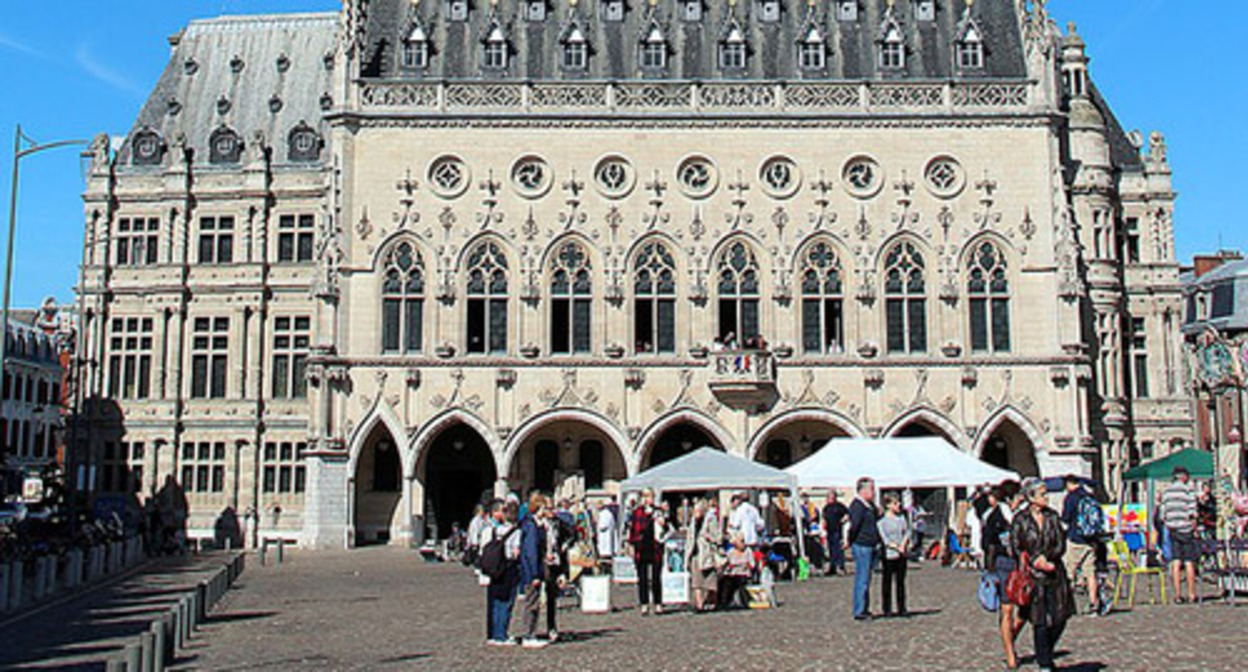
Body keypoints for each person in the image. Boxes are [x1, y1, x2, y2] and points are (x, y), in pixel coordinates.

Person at [1011, 478, 1074, 672]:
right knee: (1040, 620)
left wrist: (1048, 558)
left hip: (1054, 574)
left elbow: (1060, 543)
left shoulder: (1053, 517)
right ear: (1031, 497)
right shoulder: (1021, 520)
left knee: (1060, 617)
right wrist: (1033, 559)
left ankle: (1046, 652)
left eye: (1046, 493)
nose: (1046, 497)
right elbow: (1015, 546)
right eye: (1042, 494)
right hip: (1033, 577)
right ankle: (1044, 663)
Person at [985, 484, 1026, 670]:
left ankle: (1010, 636)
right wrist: (990, 568)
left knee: (1025, 609)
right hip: (1003, 564)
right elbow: (987, 543)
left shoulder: (1026, 515)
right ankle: (1010, 652)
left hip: (1024, 564)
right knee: (1007, 609)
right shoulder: (995, 516)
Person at [1059, 475, 1101, 615]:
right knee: (1090, 572)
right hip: (1091, 539)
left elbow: (1065, 518)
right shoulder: (1089, 496)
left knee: (1069, 571)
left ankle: (1065, 604)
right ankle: (1094, 603)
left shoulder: (1071, 498)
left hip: (1076, 538)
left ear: (1070, 484)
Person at [1160, 466, 1199, 603]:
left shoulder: (1167, 492)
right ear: (1184, 477)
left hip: (1173, 530)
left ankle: (1177, 595)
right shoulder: (1188, 491)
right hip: (1186, 530)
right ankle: (1191, 594)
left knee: (1175, 561)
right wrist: (1193, 526)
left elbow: (1162, 514)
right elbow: (1193, 512)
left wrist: (1170, 523)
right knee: (1189, 562)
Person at [485, 499, 521, 646]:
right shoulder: (515, 532)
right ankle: (502, 634)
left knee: (494, 601)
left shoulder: (490, 530)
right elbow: (515, 553)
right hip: (508, 567)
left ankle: (493, 634)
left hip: (493, 568)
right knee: (506, 601)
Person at [518, 493, 550, 648]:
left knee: (534, 602)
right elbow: (531, 552)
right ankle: (528, 634)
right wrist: (534, 574)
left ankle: (532, 632)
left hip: (535, 568)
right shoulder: (531, 526)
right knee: (531, 603)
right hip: (532, 571)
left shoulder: (535, 524)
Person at [848, 477, 881, 621]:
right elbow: (854, 526)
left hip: (871, 544)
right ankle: (859, 610)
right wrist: (850, 541)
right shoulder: (857, 506)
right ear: (864, 490)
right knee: (862, 578)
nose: (874, 492)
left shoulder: (869, 506)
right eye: (872, 489)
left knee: (867, 578)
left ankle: (865, 607)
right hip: (862, 545)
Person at [628, 488, 664, 615]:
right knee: (642, 578)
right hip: (641, 548)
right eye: (645, 496)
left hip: (655, 548)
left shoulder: (658, 511)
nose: (647, 499)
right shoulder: (637, 512)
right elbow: (633, 530)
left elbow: (667, 528)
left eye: (650, 496)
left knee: (656, 577)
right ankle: (644, 603)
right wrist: (631, 546)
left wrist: (662, 523)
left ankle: (658, 603)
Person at [878, 492, 910, 617]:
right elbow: (884, 538)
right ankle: (887, 608)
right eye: (895, 503)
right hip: (889, 554)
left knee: (900, 582)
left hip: (901, 553)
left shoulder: (901, 518)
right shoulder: (882, 521)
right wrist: (895, 547)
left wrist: (903, 545)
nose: (898, 505)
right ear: (888, 505)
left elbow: (907, 532)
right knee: (887, 582)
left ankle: (902, 607)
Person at [685, 499, 721, 611]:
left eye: (697, 511)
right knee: (697, 582)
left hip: (707, 554)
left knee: (711, 582)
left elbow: (717, 537)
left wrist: (708, 537)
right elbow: (690, 537)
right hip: (695, 553)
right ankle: (699, 604)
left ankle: (712, 602)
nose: (695, 513)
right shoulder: (693, 522)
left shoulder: (711, 519)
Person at [719, 533, 756, 608]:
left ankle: (744, 601)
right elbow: (725, 563)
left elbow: (752, 565)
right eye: (741, 541)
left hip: (744, 573)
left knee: (738, 581)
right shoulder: (731, 552)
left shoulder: (748, 551)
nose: (743, 544)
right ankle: (724, 602)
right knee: (725, 581)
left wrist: (744, 564)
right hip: (732, 573)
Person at [823, 491, 849, 576]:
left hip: (837, 530)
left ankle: (840, 567)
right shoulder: (826, 507)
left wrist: (843, 520)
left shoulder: (839, 506)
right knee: (831, 550)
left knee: (838, 549)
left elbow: (848, 514)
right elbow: (824, 518)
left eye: (830, 497)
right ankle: (832, 567)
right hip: (829, 531)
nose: (828, 499)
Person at [799, 493, 824, 572]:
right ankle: (809, 565)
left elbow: (817, 517)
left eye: (806, 498)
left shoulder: (813, 507)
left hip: (814, 532)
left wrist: (814, 517)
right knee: (807, 549)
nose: (805, 500)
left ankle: (817, 565)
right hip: (806, 532)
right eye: (803, 498)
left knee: (816, 548)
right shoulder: (801, 508)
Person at [593, 500, 617, 573]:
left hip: (605, 543)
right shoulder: (606, 513)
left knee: (605, 561)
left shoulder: (605, 514)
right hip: (605, 542)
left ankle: (606, 572)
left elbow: (602, 526)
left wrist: (596, 521)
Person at [466, 504, 488, 568]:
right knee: (477, 555)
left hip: (480, 539)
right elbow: (474, 532)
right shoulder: (476, 520)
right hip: (477, 540)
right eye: (482, 510)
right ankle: (477, 567)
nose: (483, 512)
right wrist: (474, 542)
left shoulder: (481, 519)